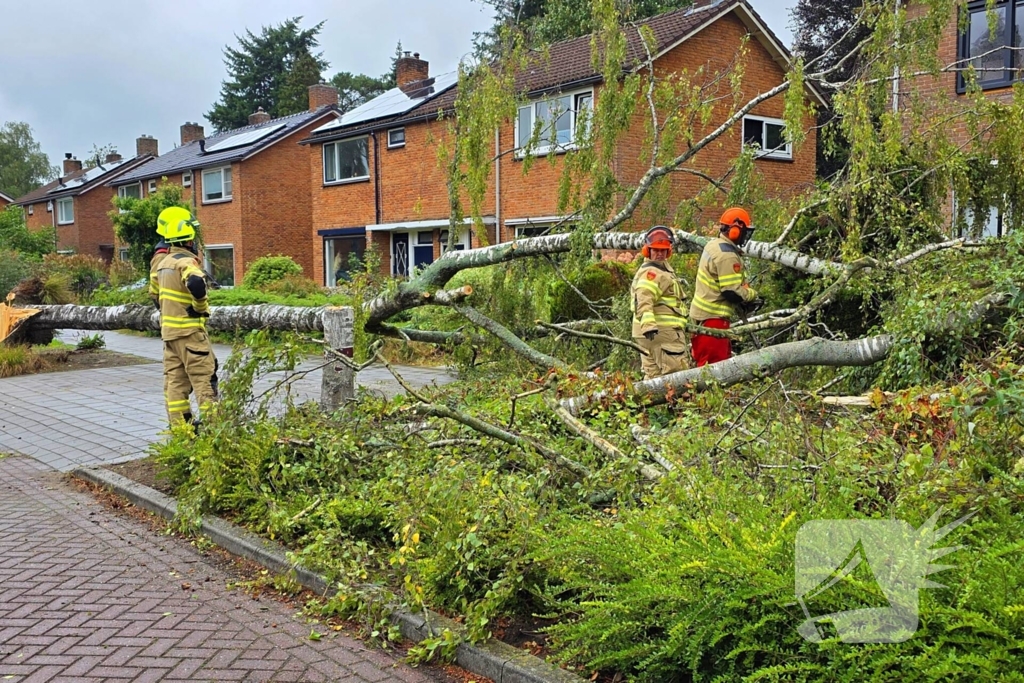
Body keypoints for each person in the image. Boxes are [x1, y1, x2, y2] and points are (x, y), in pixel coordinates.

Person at [150, 206, 218, 426]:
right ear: (189, 240)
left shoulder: (162, 264)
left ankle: (181, 431)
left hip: (170, 335)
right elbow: (196, 282)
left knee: (175, 384)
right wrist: (199, 307)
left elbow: (154, 295)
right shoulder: (185, 262)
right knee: (204, 379)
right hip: (190, 333)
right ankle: (214, 429)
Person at [689, 207, 764, 367]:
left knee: (710, 364)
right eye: (744, 231)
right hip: (714, 318)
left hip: (702, 316)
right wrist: (751, 294)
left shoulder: (714, 245)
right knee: (714, 368)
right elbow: (731, 291)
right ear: (735, 231)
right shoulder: (727, 256)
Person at [630, 225, 691, 379]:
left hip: (649, 335)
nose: (659, 254)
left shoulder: (657, 269)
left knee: (654, 381)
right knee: (677, 378)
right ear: (647, 250)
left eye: (663, 250)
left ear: (668, 252)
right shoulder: (653, 272)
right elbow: (644, 297)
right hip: (661, 333)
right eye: (656, 250)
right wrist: (648, 325)